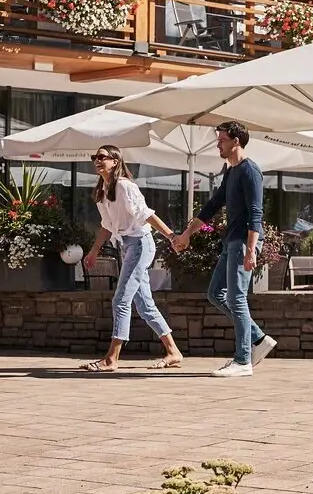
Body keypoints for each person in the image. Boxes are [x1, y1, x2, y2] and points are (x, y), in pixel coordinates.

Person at [172, 120, 275, 377]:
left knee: (236, 298)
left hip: (243, 242)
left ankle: (243, 361)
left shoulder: (250, 171)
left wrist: (251, 250)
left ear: (236, 141)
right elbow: (212, 206)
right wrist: (186, 235)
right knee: (215, 293)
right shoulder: (230, 171)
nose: (218, 144)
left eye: (222, 140)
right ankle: (259, 339)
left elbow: (256, 213)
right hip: (231, 241)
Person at [80, 145, 185, 372]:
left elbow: (146, 215)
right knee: (144, 305)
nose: (97, 161)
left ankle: (111, 358)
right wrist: (94, 251)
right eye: (94, 157)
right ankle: (173, 351)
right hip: (127, 246)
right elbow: (107, 227)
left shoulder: (126, 186)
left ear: (115, 161)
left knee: (120, 300)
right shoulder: (102, 191)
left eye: (102, 157)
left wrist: (171, 237)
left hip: (140, 245)